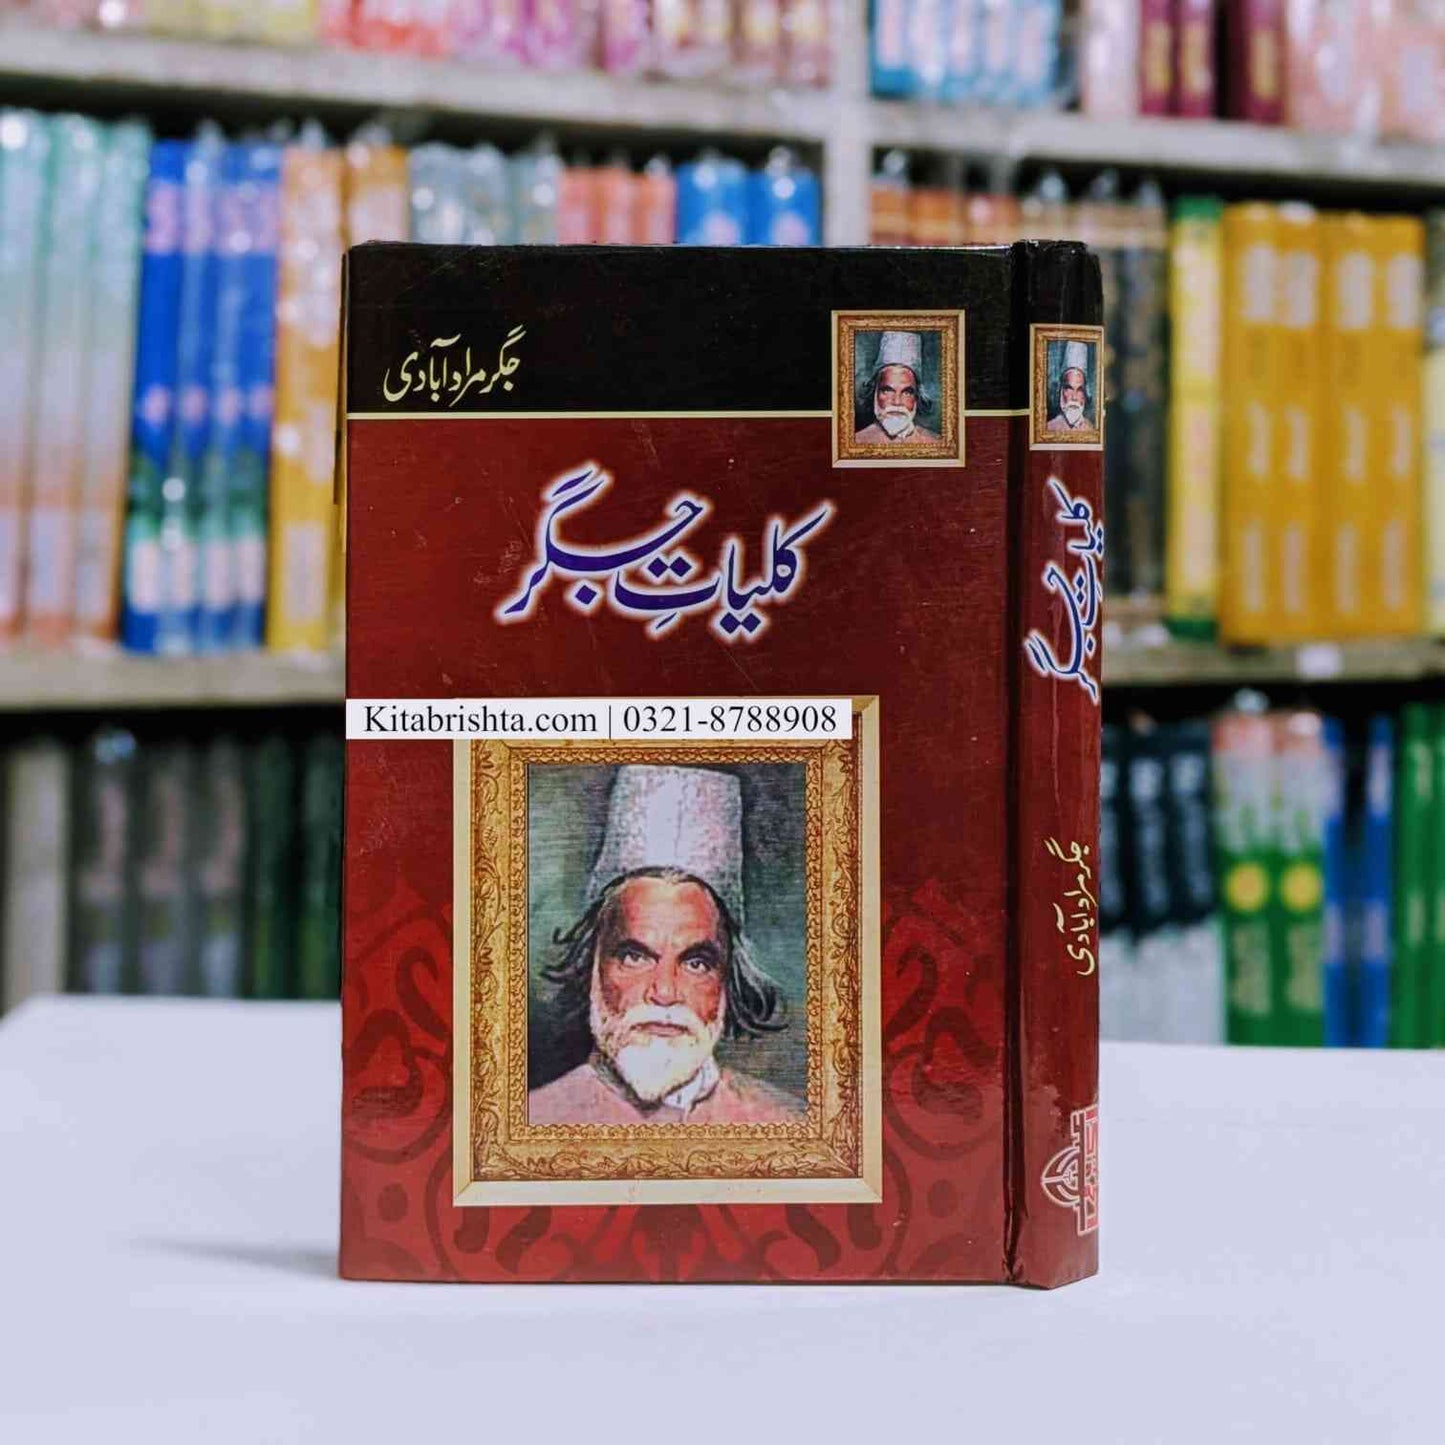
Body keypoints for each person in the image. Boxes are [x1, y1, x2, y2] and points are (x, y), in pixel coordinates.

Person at [528, 765, 804, 1126]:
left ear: (728, 980)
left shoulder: (788, 1124)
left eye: (696, 963)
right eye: (635, 956)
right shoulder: (533, 1119)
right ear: (592, 965)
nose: (664, 993)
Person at [853, 330, 940, 444]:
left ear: (917, 397)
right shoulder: (857, 441)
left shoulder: (936, 443)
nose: (897, 402)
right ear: (874, 392)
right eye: (887, 391)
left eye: (907, 393)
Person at [1045, 340, 1095, 435]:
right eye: (1069, 388)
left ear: (1085, 395)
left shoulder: (1092, 430)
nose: (1074, 397)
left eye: (1079, 390)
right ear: (1061, 391)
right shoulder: (1049, 428)